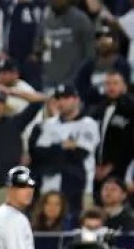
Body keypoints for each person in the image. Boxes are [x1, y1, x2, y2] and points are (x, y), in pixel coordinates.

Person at [29, 85, 100, 220]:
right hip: (49, 186)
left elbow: (79, 154)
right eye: (58, 98)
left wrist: (53, 150)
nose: (61, 102)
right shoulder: (48, 124)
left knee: (77, 226)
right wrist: (63, 146)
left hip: (80, 187)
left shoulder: (88, 124)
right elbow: (38, 154)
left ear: (76, 100)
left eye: (66, 98)